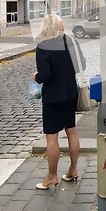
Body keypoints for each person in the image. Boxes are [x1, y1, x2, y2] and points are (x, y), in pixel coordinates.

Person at [32, 14, 86, 190]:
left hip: (53, 97)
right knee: (71, 131)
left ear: (46, 27)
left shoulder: (43, 47)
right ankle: (73, 169)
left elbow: (45, 76)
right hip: (70, 94)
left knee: (52, 137)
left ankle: (51, 176)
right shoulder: (71, 43)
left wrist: (36, 77)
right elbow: (82, 66)